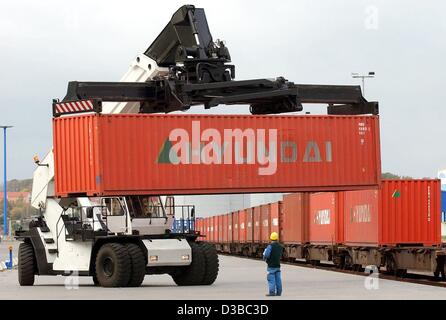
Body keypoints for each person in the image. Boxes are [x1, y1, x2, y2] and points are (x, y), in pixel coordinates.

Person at [262, 232, 284, 296]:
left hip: (271, 265)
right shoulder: (280, 246)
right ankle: (279, 292)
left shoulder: (270, 246)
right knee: (278, 279)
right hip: (277, 265)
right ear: (277, 238)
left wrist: (264, 258)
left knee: (271, 279)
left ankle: (272, 292)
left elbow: (266, 255)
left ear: (271, 238)